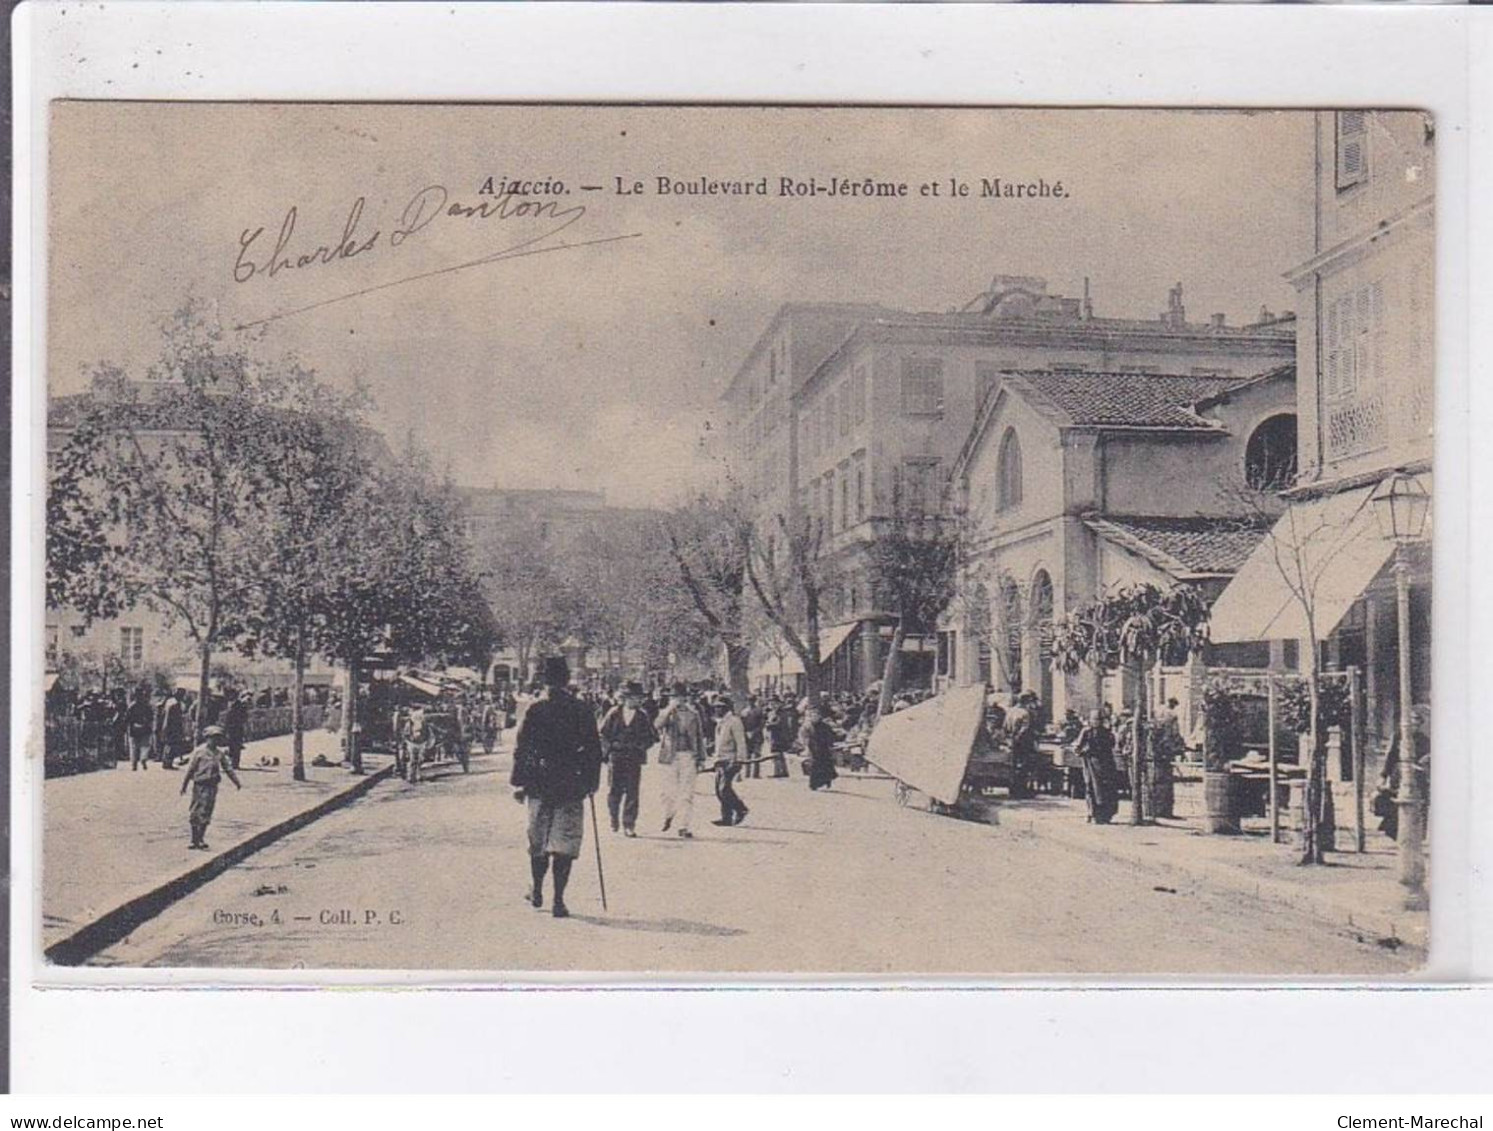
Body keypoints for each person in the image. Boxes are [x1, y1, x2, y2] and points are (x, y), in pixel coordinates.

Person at [510, 656, 604, 918]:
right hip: (571, 785)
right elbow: (594, 751)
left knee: (538, 841)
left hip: (539, 784)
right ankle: (559, 900)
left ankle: (537, 889)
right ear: (567, 680)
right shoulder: (582, 710)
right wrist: (591, 782)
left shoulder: (534, 709)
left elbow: (522, 750)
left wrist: (519, 782)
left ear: (544, 680)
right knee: (565, 843)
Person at [598, 681, 657, 837]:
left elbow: (651, 737)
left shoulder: (642, 716)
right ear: (625, 698)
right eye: (633, 697)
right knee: (614, 790)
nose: (637, 701)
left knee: (632, 791)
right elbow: (603, 734)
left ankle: (629, 824)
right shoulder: (614, 713)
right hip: (616, 757)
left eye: (638, 698)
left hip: (634, 758)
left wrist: (641, 746)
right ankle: (613, 818)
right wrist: (608, 750)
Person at [655, 681, 707, 839]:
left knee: (687, 793)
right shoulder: (667, 712)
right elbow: (657, 725)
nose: (679, 700)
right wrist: (669, 709)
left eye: (682, 697)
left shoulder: (693, 714)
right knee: (668, 792)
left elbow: (699, 736)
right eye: (676, 697)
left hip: (688, 755)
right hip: (670, 755)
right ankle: (669, 813)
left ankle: (684, 825)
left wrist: (701, 757)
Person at [178, 725, 242, 850]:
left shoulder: (219, 753)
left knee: (207, 811)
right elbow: (190, 770)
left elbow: (228, 768)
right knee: (195, 811)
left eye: (218, 738)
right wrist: (184, 785)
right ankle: (193, 839)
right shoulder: (199, 752)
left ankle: (201, 838)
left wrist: (236, 782)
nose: (215, 741)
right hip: (199, 785)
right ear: (207, 738)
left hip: (212, 786)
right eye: (213, 738)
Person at [711, 696, 750, 826]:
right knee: (719, 790)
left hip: (731, 759)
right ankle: (726, 818)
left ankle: (741, 809)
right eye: (716, 706)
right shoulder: (720, 722)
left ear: (726, 708)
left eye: (720, 707)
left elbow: (741, 742)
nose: (717, 709)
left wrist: (739, 760)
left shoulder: (734, 721)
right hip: (720, 760)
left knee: (724, 789)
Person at [1075, 710, 1119, 824]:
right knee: (1092, 788)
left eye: (1099, 720)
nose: (1096, 722)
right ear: (1090, 720)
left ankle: (1106, 814)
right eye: (1094, 719)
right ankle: (1092, 813)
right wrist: (1084, 751)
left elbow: (1112, 744)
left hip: (1106, 763)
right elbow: (1077, 748)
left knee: (1107, 789)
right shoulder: (1086, 732)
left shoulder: (1107, 732)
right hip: (1091, 764)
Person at [1149, 698, 1183, 820]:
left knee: (1159, 781)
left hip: (1158, 752)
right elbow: (1175, 733)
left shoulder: (1158, 713)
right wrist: (1179, 747)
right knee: (1165, 782)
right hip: (1165, 752)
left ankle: (1158, 809)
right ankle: (1164, 810)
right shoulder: (1171, 716)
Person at [1005, 692, 1038, 799]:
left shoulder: (1010, 711)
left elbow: (1005, 726)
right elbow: (1025, 729)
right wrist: (1019, 737)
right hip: (1023, 742)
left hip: (1012, 741)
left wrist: (1010, 739)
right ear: (1026, 701)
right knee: (1024, 766)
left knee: (1013, 765)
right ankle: (1021, 791)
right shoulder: (1025, 713)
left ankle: (1013, 790)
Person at [800, 701, 839, 791]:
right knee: (815, 765)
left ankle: (826, 781)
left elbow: (830, 736)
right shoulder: (808, 726)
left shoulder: (825, 726)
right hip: (813, 748)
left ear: (819, 716)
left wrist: (830, 744)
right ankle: (814, 784)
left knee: (825, 765)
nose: (814, 718)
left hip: (824, 748)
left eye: (816, 716)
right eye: (812, 716)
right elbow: (804, 735)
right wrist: (805, 745)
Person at [124, 686, 154, 771]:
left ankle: (134, 763)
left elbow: (127, 718)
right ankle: (143, 759)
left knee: (134, 747)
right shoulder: (147, 705)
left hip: (134, 729)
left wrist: (129, 726)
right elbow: (151, 717)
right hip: (145, 729)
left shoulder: (131, 706)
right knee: (144, 746)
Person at [156, 688, 186, 771]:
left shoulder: (171, 702)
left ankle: (167, 762)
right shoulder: (174, 704)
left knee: (170, 744)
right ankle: (167, 762)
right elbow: (169, 717)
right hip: (172, 727)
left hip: (171, 726)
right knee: (171, 745)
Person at [741, 694, 766, 780]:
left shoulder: (759, 711)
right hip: (747, 736)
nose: (750, 702)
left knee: (756, 755)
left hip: (757, 735)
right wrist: (745, 733)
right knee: (747, 755)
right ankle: (747, 773)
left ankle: (755, 773)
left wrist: (754, 732)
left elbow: (762, 724)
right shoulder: (744, 712)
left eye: (751, 700)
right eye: (749, 700)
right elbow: (742, 725)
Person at [224, 691, 250, 772]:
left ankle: (234, 762)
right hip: (235, 728)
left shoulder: (239, 706)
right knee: (234, 746)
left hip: (235, 728)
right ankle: (234, 762)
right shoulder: (237, 706)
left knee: (235, 746)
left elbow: (243, 718)